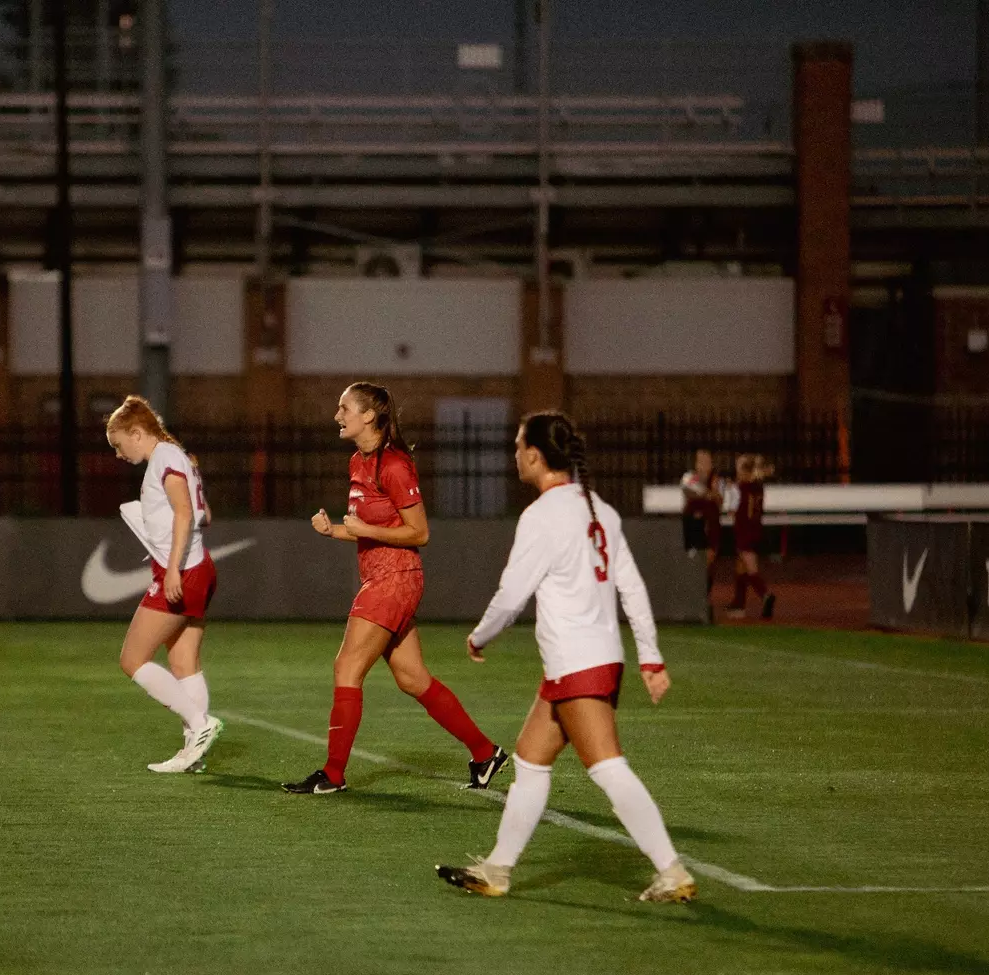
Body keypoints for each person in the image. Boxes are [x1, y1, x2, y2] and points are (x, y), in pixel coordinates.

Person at [436, 411, 695, 903]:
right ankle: (497, 869)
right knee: (531, 761)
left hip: (578, 662)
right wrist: (650, 658)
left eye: (517, 445)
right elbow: (632, 588)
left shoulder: (541, 516)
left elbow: (512, 596)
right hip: (589, 659)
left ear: (535, 455)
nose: (514, 453)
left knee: (607, 767)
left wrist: (480, 635)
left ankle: (671, 868)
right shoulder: (600, 509)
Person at [283, 382, 508, 795]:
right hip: (383, 577)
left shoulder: (395, 465)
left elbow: (419, 533)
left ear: (369, 416)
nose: (337, 415)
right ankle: (484, 751)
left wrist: (363, 528)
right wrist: (334, 531)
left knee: (346, 668)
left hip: (395, 578)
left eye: (344, 407)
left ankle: (333, 775)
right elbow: (370, 530)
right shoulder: (357, 461)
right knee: (412, 678)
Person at [105, 397, 224, 774]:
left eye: (119, 444)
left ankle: (200, 724)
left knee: (132, 660)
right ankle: (194, 750)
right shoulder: (176, 457)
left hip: (183, 572)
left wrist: (172, 569)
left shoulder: (166, 458)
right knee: (182, 660)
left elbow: (187, 513)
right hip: (197, 566)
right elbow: (205, 514)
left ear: (137, 433)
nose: (118, 454)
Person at [725, 453, 775, 620]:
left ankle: (765, 594)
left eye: (739, 468)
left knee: (751, 569)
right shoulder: (758, 487)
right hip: (755, 530)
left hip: (744, 531)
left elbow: (732, 510)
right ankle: (738, 604)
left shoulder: (739, 488)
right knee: (741, 566)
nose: (736, 472)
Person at [679, 448, 723, 598]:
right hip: (693, 524)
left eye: (707, 461)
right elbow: (690, 490)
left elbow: (718, 499)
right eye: (701, 461)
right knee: (694, 559)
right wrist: (707, 493)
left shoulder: (717, 480)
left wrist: (710, 493)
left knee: (710, 559)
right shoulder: (689, 477)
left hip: (711, 523)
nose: (704, 464)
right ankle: (692, 594)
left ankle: (705, 594)